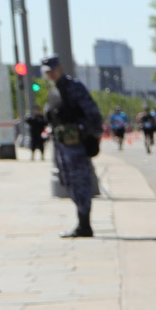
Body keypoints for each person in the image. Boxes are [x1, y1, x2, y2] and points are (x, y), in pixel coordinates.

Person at [38, 55, 104, 239]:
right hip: (62, 144)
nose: (50, 74)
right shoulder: (55, 90)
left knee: (80, 182)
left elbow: (92, 112)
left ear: (60, 68)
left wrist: (94, 134)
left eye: (52, 70)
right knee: (68, 181)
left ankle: (84, 224)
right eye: (47, 72)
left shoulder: (73, 87)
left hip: (76, 144)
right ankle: (82, 223)